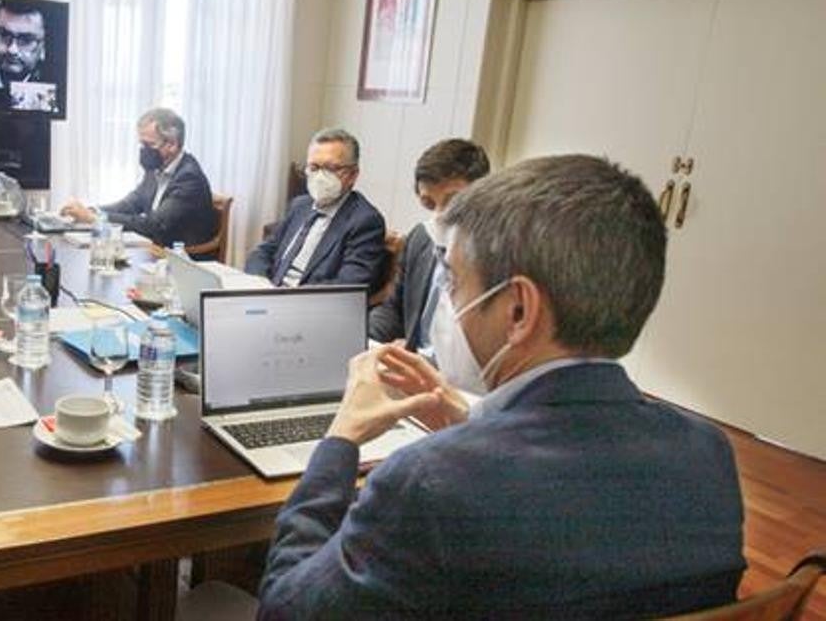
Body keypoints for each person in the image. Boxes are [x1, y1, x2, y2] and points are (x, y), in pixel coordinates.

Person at [258, 155, 745, 619]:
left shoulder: (429, 480)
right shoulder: (708, 453)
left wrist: (340, 439)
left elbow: (283, 609)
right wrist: (473, 424)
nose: (448, 304)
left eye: (454, 283)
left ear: (518, 311)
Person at [369, 138, 490, 345]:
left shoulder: (500, 252)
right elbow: (393, 310)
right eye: (429, 203)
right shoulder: (421, 238)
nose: (440, 214)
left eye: (453, 201)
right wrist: (363, 340)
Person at [245, 128, 386, 291]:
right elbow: (264, 251)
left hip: (310, 302)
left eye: (330, 168)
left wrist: (289, 297)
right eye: (314, 167)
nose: (320, 177)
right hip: (269, 293)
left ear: (353, 175)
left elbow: (349, 285)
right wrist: (260, 283)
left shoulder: (365, 221)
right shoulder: (300, 205)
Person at [60, 108, 218, 247]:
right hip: (155, 250)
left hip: (182, 259)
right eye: (142, 144)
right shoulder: (157, 168)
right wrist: (92, 211)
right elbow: (131, 204)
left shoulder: (189, 178)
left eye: (149, 145)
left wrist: (94, 218)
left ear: (172, 144)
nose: (144, 151)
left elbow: (154, 226)